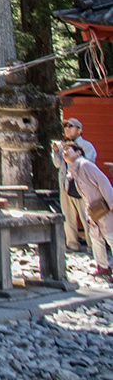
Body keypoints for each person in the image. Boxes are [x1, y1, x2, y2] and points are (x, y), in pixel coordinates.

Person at [62, 140, 112, 279]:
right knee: (96, 238)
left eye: (69, 150)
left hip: (103, 205)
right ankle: (103, 266)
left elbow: (103, 182)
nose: (65, 152)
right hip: (92, 208)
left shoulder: (86, 165)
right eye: (64, 151)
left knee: (111, 237)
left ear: (78, 153)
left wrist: (111, 203)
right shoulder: (73, 169)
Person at [55, 117, 97, 252]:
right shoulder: (63, 146)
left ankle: (93, 246)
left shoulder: (87, 146)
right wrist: (56, 151)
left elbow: (87, 164)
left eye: (71, 126)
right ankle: (72, 244)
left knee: (87, 218)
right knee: (68, 217)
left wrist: (71, 154)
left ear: (80, 130)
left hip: (82, 186)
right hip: (65, 186)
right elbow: (57, 165)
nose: (67, 129)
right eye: (66, 126)